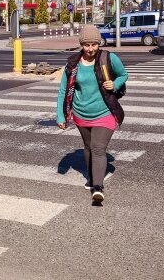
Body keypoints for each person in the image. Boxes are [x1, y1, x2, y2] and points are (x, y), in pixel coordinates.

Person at [56, 24, 128, 204]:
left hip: (104, 112)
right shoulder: (73, 64)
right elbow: (63, 89)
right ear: (81, 44)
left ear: (99, 43)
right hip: (81, 113)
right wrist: (61, 115)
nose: (90, 49)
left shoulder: (108, 58)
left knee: (97, 148)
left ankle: (98, 187)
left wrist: (115, 84)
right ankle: (91, 176)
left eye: (94, 44)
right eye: (87, 45)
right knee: (87, 147)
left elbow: (123, 75)